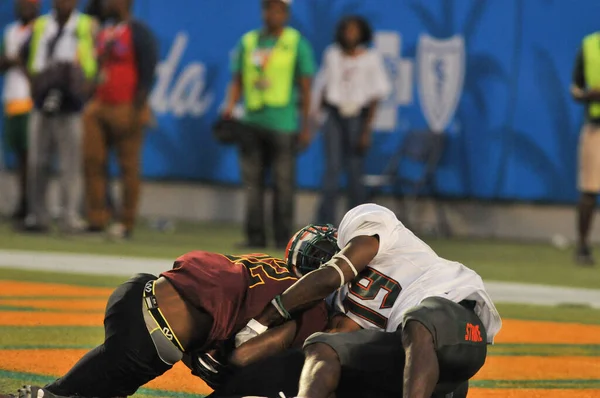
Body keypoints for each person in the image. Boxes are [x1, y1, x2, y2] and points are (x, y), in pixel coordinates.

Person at [8, 224, 338, 398]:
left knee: (64, 394)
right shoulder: (308, 305)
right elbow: (243, 356)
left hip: (140, 295)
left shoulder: (268, 265)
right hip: (156, 333)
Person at [228, 204, 502, 398]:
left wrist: (265, 319)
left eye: (316, 251)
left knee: (419, 319)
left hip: (462, 327)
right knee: (323, 347)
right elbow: (338, 340)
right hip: (420, 366)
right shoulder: (339, 304)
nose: (317, 260)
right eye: (308, 263)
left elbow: (332, 274)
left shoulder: (362, 223)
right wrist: (240, 348)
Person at [223, 0, 316, 249]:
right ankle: (255, 237)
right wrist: (230, 106)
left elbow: (306, 88)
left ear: (285, 13)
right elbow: (237, 79)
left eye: (276, 9)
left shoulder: (296, 42)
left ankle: (282, 240)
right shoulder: (249, 41)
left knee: (283, 184)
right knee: (252, 184)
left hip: (283, 123)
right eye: (267, 8)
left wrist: (306, 125)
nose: (270, 14)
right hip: (251, 120)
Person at [82, 0, 158, 240]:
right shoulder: (104, 29)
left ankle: (126, 222)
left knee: (128, 168)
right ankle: (96, 218)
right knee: (92, 162)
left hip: (127, 106)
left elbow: (148, 71)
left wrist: (138, 107)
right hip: (100, 103)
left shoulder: (139, 32)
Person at [20, 0, 97, 233]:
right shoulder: (42, 25)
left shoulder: (86, 25)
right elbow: (26, 55)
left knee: (70, 164)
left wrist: (85, 88)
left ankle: (69, 216)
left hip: (71, 103)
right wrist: (35, 84)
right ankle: (37, 216)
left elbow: (96, 59)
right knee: (37, 162)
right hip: (43, 101)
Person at [314, 16, 391, 224]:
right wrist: (316, 117)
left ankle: (357, 224)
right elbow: (323, 86)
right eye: (347, 30)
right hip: (334, 115)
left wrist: (367, 129)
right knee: (331, 170)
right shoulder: (332, 54)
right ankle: (324, 224)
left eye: (355, 30)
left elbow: (377, 95)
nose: (350, 34)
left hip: (358, 117)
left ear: (362, 33)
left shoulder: (371, 58)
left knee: (355, 172)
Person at [0, 0, 39, 221]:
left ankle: (30, 205)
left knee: (30, 157)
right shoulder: (10, 31)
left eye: (29, 5)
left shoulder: (41, 29)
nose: (24, 8)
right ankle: (22, 203)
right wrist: (11, 60)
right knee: (17, 157)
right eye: (21, 4)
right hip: (11, 99)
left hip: (31, 100)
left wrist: (18, 60)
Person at [571, 31, 600, 266]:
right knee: (589, 190)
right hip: (596, 127)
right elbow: (576, 88)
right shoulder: (589, 44)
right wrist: (587, 94)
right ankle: (582, 247)